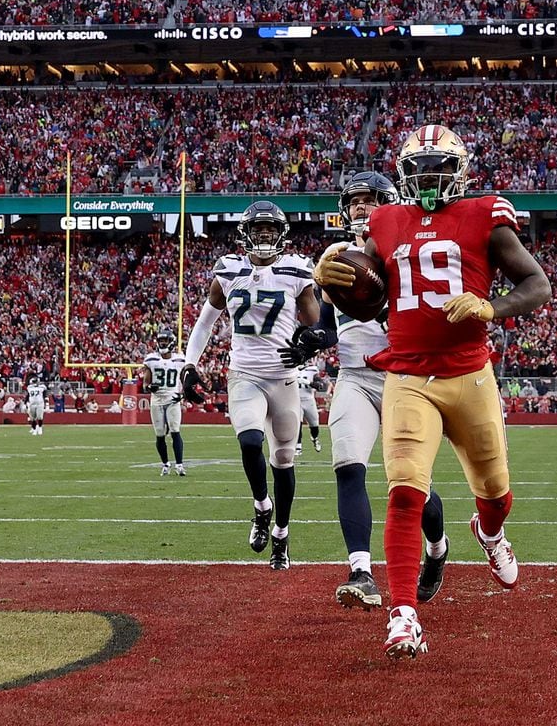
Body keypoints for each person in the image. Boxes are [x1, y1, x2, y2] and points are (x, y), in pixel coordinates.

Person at [314, 124, 552, 660]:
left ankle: (489, 535)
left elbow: (537, 285)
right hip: (407, 375)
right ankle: (403, 616)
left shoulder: (486, 214)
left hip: (469, 374)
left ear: (459, 172)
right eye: (418, 171)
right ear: (403, 175)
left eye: (438, 171)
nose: (427, 180)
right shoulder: (386, 221)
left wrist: (492, 307)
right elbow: (371, 299)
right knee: (404, 490)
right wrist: (332, 281)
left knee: (496, 494)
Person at [285, 171, 448, 612]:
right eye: (354, 201)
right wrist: (312, 338)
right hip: (355, 376)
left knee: (410, 486)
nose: (361, 208)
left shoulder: (411, 248)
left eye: (370, 199)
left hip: (404, 378)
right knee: (348, 465)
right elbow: (326, 322)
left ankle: (437, 547)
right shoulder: (337, 254)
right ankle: (361, 570)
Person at [184, 201, 322, 571]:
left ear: (282, 234)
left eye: (270, 229)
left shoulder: (296, 270)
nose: (264, 234)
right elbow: (204, 322)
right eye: (258, 228)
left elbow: (314, 320)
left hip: (284, 378)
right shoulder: (229, 270)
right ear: (246, 232)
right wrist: (189, 364)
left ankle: (281, 532)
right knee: (248, 440)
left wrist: (312, 308)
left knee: (283, 460)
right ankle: (262, 506)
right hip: (244, 374)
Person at [144, 327, 200, 475]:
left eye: (165, 340)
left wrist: (182, 395)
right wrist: (150, 387)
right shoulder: (151, 359)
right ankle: (165, 464)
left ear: (172, 342)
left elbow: (185, 383)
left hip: (172, 399)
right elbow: (145, 384)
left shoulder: (180, 360)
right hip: (156, 400)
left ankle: (179, 465)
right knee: (160, 434)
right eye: (160, 340)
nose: (162, 343)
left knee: (175, 431)